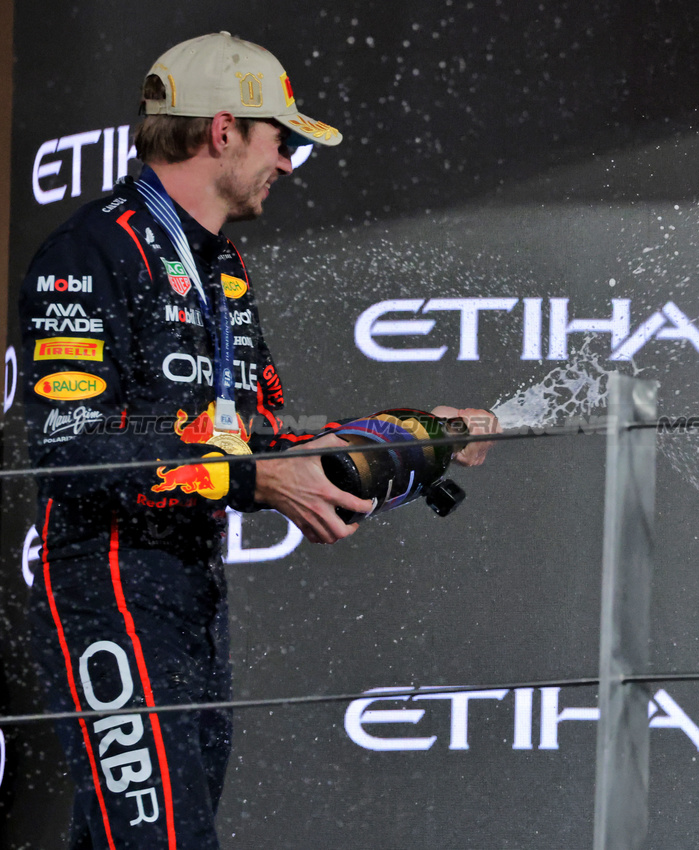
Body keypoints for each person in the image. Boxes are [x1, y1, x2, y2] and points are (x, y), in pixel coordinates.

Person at [20, 32, 494, 850]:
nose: (289, 161)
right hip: (109, 589)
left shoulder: (222, 266)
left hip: (192, 590)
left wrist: (414, 437)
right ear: (223, 130)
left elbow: (263, 436)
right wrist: (252, 480)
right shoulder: (88, 250)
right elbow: (73, 442)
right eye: (285, 141)